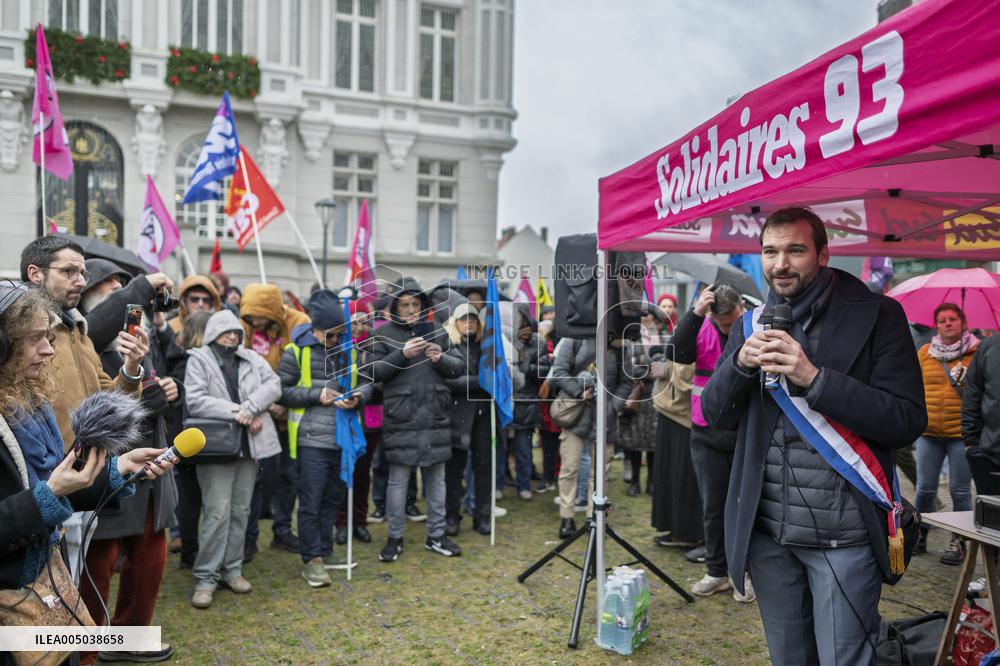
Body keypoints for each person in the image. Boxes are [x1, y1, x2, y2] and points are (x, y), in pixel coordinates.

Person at [702, 207, 926, 665]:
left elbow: (906, 419)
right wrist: (740, 366)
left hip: (842, 537)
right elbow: (715, 415)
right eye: (770, 251)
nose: (780, 263)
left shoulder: (880, 315)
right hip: (768, 534)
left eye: (794, 250)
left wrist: (815, 379)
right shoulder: (750, 323)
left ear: (823, 254)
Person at [0, 284, 172, 642]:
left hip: (44, 578)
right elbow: (44, 497)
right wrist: (48, 497)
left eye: (49, 337)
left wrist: (117, 470)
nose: (49, 351)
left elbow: (63, 491)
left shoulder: (34, 402)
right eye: (36, 339)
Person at [21, 237, 148, 581]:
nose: (81, 280)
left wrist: (132, 366)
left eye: (83, 271)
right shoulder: (16, 332)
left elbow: (110, 402)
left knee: (68, 587)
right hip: (39, 486)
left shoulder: (79, 329)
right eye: (69, 271)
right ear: (35, 273)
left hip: (84, 481)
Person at [77, 261, 181, 665]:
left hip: (153, 461)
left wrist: (172, 390)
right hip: (110, 464)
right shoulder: (83, 337)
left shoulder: (142, 334)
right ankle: (85, 649)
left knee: (150, 556)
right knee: (99, 561)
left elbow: (165, 380)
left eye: (124, 285)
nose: (122, 294)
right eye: (110, 287)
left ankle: (130, 637)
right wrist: (139, 400)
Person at [184, 310, 282, 609]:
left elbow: (274, 385)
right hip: (216, 448)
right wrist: (238, 412)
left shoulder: (252, 358)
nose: (231, 336)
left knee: (241, 510)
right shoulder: (198, 359)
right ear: (213, 332)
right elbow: (195, 399)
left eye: (236, 332)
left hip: (250, 448)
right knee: (216, 513)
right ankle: (205, 576)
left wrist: (250, 408)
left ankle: (232, 569)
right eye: (225, 331)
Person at [659, 283, 748, 599]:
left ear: (741, 307)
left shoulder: (754, 324)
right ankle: (717, 572)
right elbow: (676, 352)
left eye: (732, 321)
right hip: (706, 431)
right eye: (721, 323)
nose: (727, 329)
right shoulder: (701, 324)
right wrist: (695, 313)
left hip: (744, 433)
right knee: (713, 506)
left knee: (746, 507)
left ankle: (745, 575)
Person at [369, 278, 464, 561]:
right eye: (404, 305)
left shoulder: (438, 331)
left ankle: (436, 536)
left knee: (437, 482)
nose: (410, 309)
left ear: (423, 307)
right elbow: (372, 372)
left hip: (435, 416)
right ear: (395, 308)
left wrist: (441, 360)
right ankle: (394, 538)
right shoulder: (383, 334)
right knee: (397, 482)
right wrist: (402, 354)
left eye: (415, 304)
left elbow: (459, 368)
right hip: (402, 417)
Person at [277, 290, 367, 587]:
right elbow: (281, 391)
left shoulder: (349, 351)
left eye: (341, 334)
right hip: (310, 439)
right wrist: (317, 395)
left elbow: (367, 382)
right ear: (315, 330)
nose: (336, 340)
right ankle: (311, 559)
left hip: (342, 439)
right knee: (311, 502)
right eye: (331, 336)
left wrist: (358, 397)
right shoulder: (295, 352)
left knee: (333, 499)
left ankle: (326, 550)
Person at [239, 283, 310, 556]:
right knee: (256, 478)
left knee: (289, 476)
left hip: (289, 416)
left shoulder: (299, 323)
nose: (254, 322)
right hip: (257, 414)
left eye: (258, 315)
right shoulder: (247, 326)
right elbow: (241, 368)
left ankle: (282, 530)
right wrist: (259, 405)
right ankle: (249, 536)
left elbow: (305, 368)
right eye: (250, 316)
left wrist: (285, 403)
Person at [547, 331, 632, 539]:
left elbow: (626, 381)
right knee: (569, 467)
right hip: (577, 414)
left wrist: (612, 407)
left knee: (601, 472)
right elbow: (559, 372)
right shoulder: (573, 338)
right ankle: (567, 516)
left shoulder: (620, 343)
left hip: (606, 417)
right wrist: (578, 391)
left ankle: (595, 516)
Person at [913, 303, 977, 564]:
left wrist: (965, 380)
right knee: (925, 489)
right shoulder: (926, 352)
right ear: (936, 326)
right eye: (942, 320)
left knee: (960, 490)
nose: (948, 323)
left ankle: (958, 542)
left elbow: (985, 391)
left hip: (960, 433)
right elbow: (913, 383)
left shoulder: (975, 352)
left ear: (963, 323)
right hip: (929, 432)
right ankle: (919, 535)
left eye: (953, 319)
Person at [442, 303, 494, 535]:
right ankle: (452, 516)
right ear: (455, 323)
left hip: (483, 414)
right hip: (457, 414)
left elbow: (498, 376)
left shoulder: (489, 346)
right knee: (454, 470)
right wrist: (480, 383)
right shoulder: (448, 346)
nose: (469, 323)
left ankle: (482, 516)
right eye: (464, 319)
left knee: (483, 467)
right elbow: (448, 382)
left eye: (473, 319)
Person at [166, 311, 212, 569]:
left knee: (190, 497)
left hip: (183, 436)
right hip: (189, 438)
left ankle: (189, 549)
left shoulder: (179, 359)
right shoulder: (190, 363)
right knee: (191, 498)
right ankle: (190, 551)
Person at [335, 305, 376, 545]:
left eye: (363, 321)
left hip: (369, 415)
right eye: (354, 321)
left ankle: (360, 521)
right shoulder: (339, 348)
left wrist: (363, 392)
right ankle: (341, 522)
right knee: (344, 469)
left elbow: (376, 377)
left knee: (363, 473)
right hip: (344, 415)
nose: (359, 326)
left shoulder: (373, 347)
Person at [619, 307, 667, 497]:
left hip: (657, 398)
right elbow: (629, 368)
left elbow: (666, 369)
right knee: (634, 444)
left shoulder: (665, 341)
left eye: (650, 319)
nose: (647, 322)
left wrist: (648, 366)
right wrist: (650, 368)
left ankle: (652, 482)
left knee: (653, 444)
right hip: (637, 397)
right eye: (643, 319)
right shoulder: (631, 342)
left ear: (657, 321)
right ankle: (635, 482)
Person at [509, 306, 550, 501]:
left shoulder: (537, 341)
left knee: (524, 448)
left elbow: (544, 369)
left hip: (527, 400)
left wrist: (526, 365)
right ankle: (499, 483)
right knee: (500, 446)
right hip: (506, 398)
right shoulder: (504, 337)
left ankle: (523, 485)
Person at [963, 332, 1000, 496]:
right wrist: (971, 442)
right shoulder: (988, 347)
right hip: (990, 452)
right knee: (992, 517)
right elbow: (972, 395)